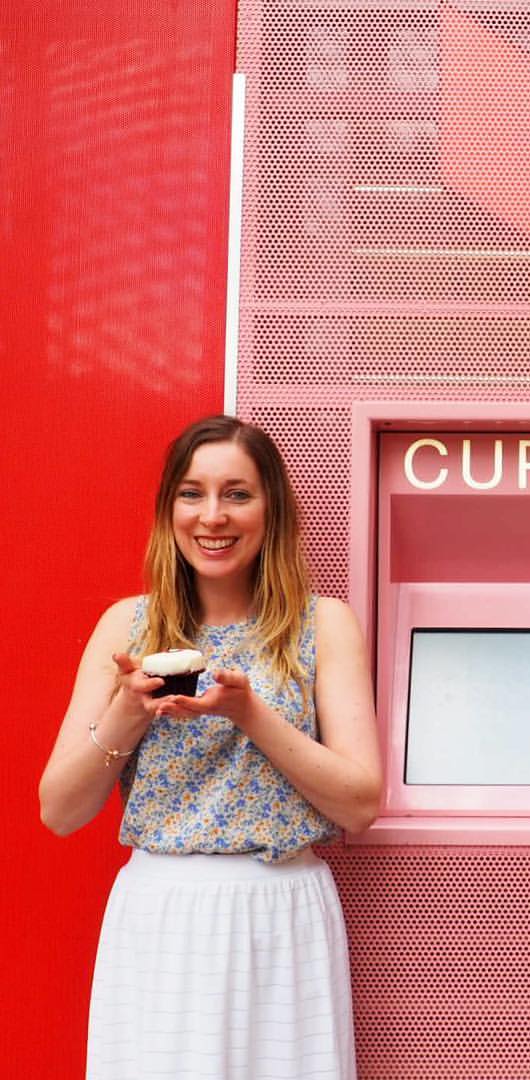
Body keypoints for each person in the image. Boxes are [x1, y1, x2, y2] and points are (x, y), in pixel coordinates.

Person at [39, 414, 382, 1080]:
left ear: (271, 509)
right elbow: (60, 810)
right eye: (192, 494)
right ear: (169, 509)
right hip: (162, 915)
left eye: (237, 494)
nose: (212, 516)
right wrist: (127, 712)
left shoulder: (323, 625)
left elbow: (360, 804)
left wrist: (249, 713)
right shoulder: (127, 625)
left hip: (283, 911)